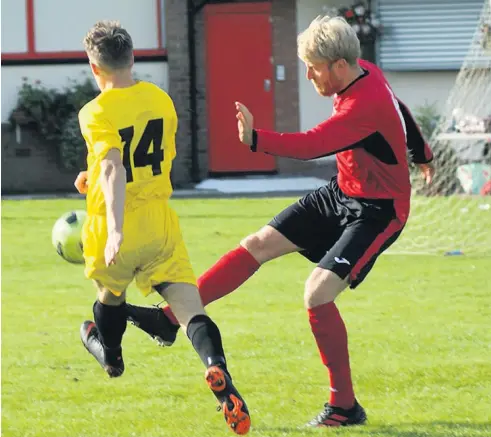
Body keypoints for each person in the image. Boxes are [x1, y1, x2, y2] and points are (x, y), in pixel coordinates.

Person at [128, 14, 435, 427]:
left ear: (340, 67)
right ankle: (169, 320)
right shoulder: (365, 72)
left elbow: (313, 144)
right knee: (258, 244)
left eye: (313, 67)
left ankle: (344, 406)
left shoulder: (363, 105)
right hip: (343, 192)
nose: (307, 75)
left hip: (380, 211)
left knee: (317, 294)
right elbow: (403, 110)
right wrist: (424, 151)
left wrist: (255, 139)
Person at [74, 20, 250, 435]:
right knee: (191, 312)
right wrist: (91, 176)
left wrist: (115, 229)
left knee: (110, 296)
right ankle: (221, 380)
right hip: (159, 221)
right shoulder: (159, 99)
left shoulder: (94, 111)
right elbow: (140, 160)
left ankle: (112, 357)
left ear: (93, 67)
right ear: (132, 58)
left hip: (113, 223)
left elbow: (115, 166)